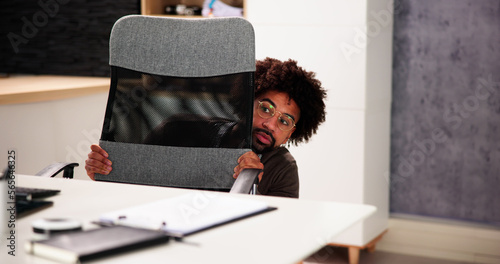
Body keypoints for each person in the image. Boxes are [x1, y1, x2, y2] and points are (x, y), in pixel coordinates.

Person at [85, 57, 326, 198]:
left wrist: (252, 187)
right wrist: (106, 171)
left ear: (291, 132)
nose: (270, 124)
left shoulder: (282, 168)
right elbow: (131, 189)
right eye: (266, 108)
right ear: (247, 100)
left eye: (284, 121)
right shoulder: (178, 129)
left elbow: (278, 237)